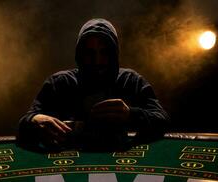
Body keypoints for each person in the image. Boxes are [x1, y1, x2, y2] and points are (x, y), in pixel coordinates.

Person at [18, 18, 169, 151]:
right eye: (90, 53)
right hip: (69, 171)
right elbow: (24, 124)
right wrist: (33, 121)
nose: (97, 61)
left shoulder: (130, 81)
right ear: (80, 54)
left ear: (114, 54)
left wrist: (131, 114)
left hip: (122, 168)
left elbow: (162, 119)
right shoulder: (59, 83)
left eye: (104, 53)